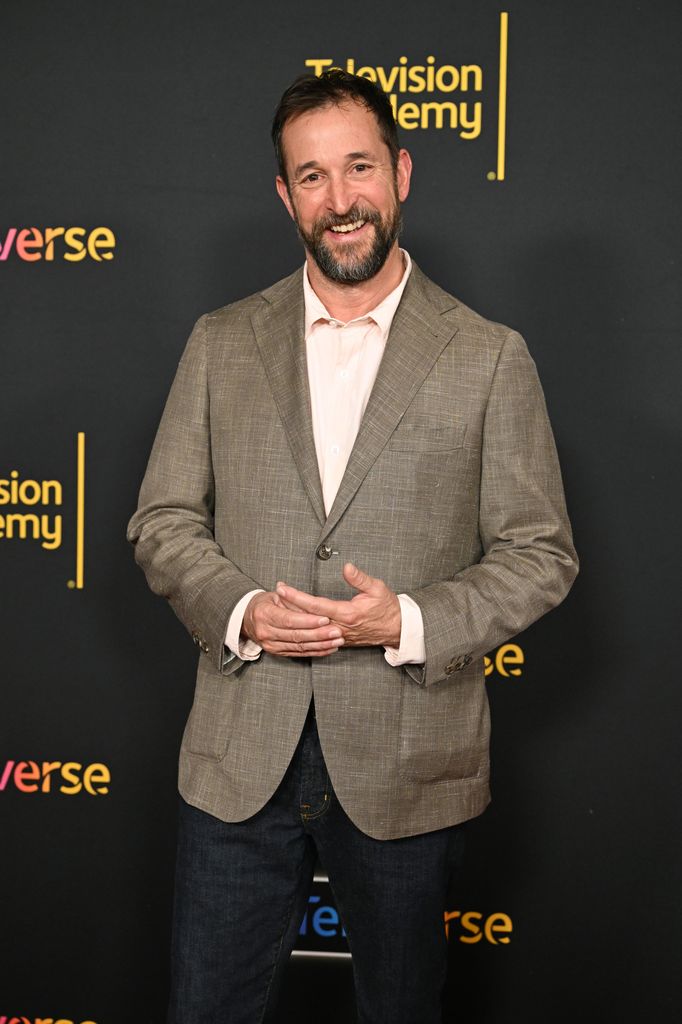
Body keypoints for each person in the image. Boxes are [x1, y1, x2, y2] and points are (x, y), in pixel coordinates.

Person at [127, 69, 578, 1024]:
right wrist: (243, 610)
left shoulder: (491, 355)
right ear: (286, 196)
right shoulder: (220, 341)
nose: (341, 201)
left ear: (402, 173)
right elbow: (163, 523)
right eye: (313, 176)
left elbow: (541, 552)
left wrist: (408, 619)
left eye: (359, 167)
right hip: (237, 761)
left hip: (409, 762)